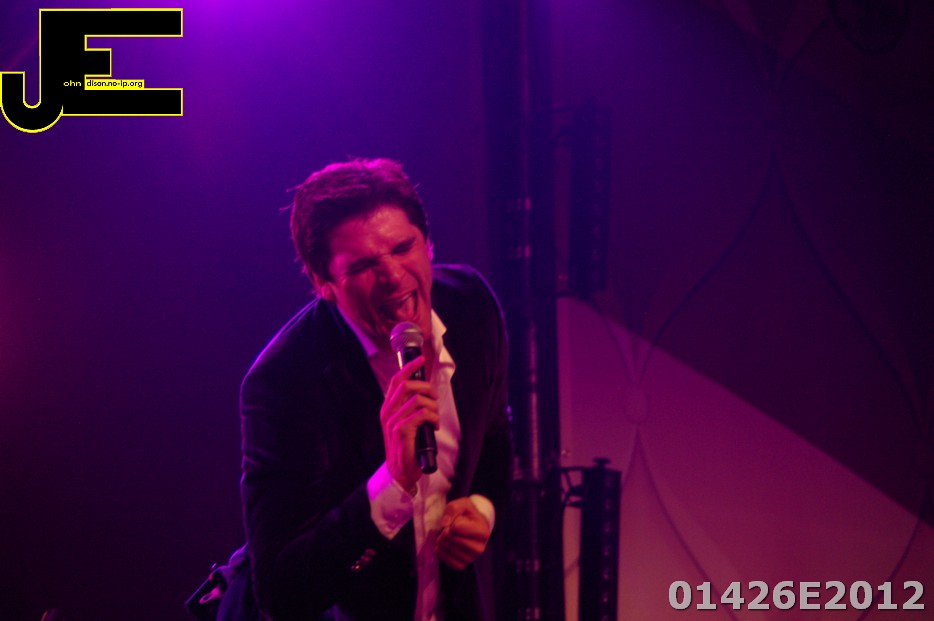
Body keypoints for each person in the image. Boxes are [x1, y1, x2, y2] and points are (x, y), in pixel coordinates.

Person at [238, 158, 512, 621]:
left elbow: (495, 438)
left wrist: (482, 509)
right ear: (323, 283)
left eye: (403, 248)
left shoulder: (471, 306)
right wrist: (393, 483)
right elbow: (280, 592)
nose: (393, 277)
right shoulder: (286, 382)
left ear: (428, 244)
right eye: (364, 265)